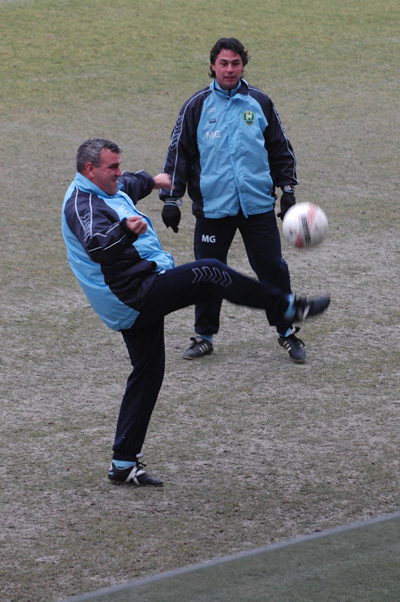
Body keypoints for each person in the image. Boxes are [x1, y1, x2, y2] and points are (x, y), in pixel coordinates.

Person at [62, 138, 330, 487]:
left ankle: (123, 463)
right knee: (209, 272)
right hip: (132, 293)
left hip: (133, 288)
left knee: (147, 374)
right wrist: (125, 232)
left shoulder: (104, 186)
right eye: (112, 167)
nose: (119, 172)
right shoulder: (83, 205)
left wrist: (154, 180)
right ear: (89, 170)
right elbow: (99, 245)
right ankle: (288, 307)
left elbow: (127, 184)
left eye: (118, 165)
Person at [160, 37, 310, 363]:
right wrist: (172, 200)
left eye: (236, 63)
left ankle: (286, 333)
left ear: (243, 66)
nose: (230, 69)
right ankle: (204, 336)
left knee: (272, 268)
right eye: (224, 63)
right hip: (213, 208)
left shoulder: (259, 102)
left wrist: (288, 191)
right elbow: (179, 154)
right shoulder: (196, 106)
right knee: (207, 273)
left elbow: (280, 149)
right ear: (212, 65)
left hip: (257, 205)